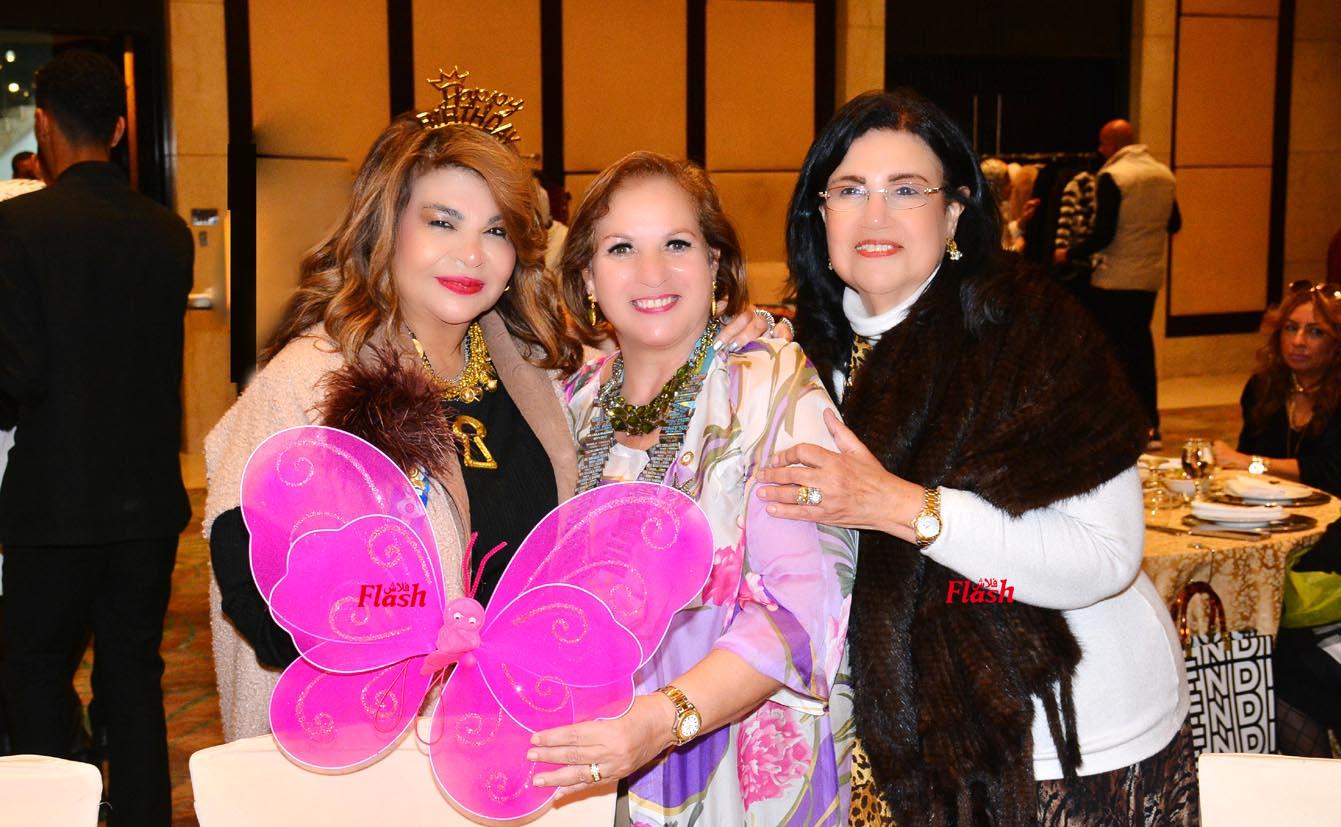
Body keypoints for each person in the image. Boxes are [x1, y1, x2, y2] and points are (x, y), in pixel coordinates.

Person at [204, 80, 776, 741]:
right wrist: (418, 633)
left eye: (495, 230)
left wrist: (733, 330)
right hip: (366, 748)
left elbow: (646, 345)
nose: (471, 255)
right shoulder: (315, 381)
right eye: (442, 222)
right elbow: (262, 607)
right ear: (387, 228)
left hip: (517, 743)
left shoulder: (540, 375)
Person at [757, 90, 1195, 825]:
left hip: (1064, 740)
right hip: (893, 745)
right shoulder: (802, 358)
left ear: (955, 212)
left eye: (906, 190)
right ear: (819, 213)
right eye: (850, 190)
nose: (874, 215)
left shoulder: (1031, 335)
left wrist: (902, 507)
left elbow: (1105, 559)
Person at [529, 151, 857, 825]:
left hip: (734, 769)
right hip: (586, 768)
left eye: (676, 244)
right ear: (587, 275)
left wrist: (661, 719)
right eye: (621, 248)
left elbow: (806, 606)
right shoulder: (571, 402)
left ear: (714, 263)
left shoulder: (769, 385)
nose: (651, 273)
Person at [0, 51, 192, 826]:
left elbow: (17, 376)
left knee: (34, 673)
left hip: (52, 504)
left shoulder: (17, 228)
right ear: (118, 129)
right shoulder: (168, 233)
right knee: (134, 674)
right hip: (148, 503)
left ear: (43, 124)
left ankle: (56, 813)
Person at [1065, 118, 1181, 450]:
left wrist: (1068, 252)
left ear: (1113, 144)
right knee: (1141, 349)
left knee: (1112, 355)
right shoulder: (1164, 174)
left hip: (1114, 278)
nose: (1100, 150)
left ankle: (1116, 425)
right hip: (1148, 279)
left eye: (1103, 143)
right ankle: (1150, 425)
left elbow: (1104, 233)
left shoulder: (1114, 176)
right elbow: (1174, 223)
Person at [1213, 282, 1341, 496]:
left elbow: (1332, 473)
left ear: (1336, 343)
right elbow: (1245, 457)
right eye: (1291, 328)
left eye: (1316, 332)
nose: (1298, 341)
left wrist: (1252, 463)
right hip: (1269, 503)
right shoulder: (1263, 386)